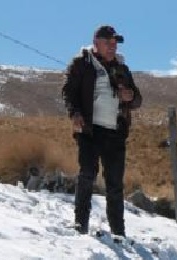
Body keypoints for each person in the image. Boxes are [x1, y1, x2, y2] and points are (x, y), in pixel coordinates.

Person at [61, 25, 143, 236]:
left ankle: (118, 232)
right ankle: (81, 224)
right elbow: (69, 93)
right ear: (96, 42)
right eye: (108, 43)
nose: (112, 47)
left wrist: (130, 96)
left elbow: (138, 99)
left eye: (115, 44)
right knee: (87, 175)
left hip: (116, 132)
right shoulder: (82, 63)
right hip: (89, 130)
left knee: (115, 184)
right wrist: (75, 114)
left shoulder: (122, 69)